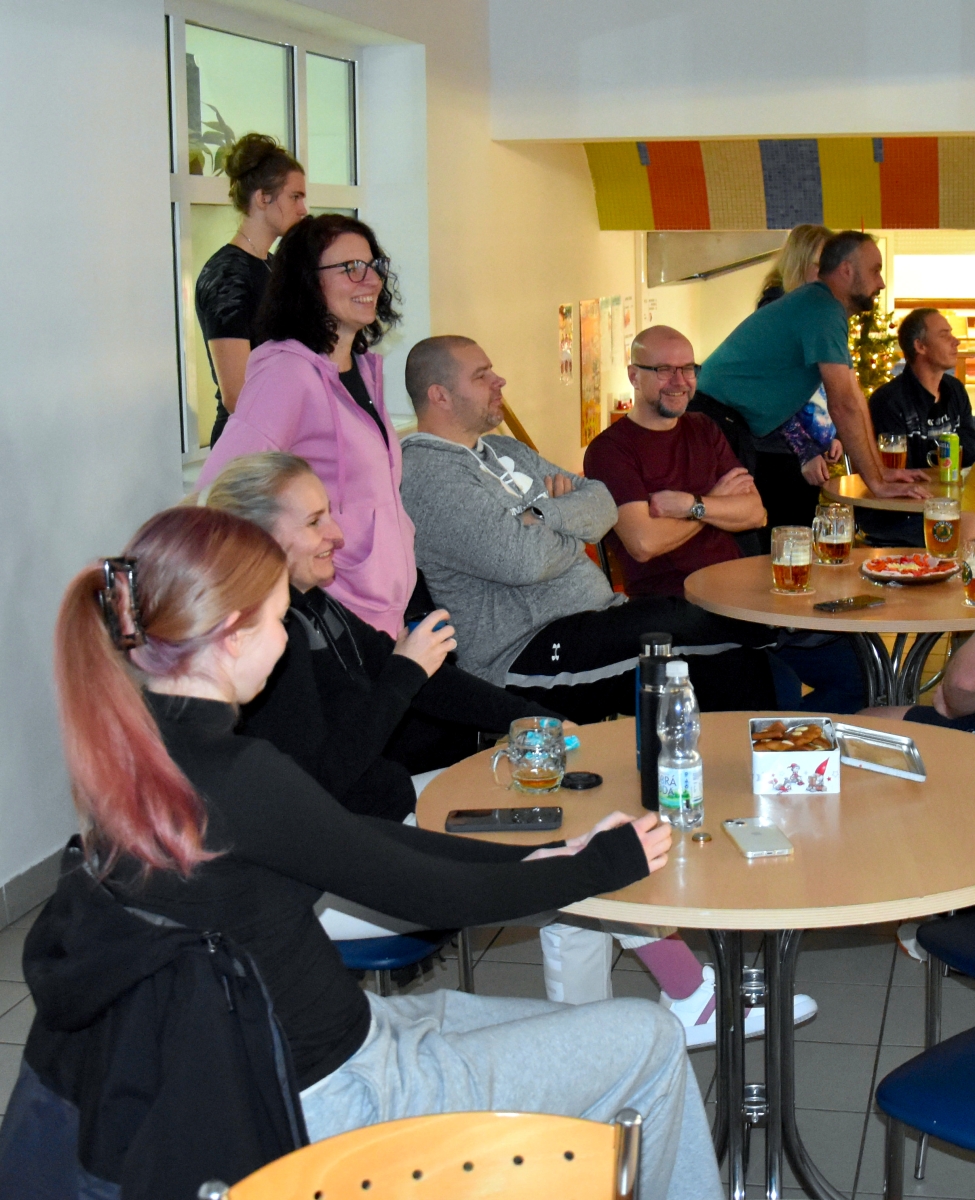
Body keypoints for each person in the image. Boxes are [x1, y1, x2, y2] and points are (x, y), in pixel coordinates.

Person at [39, 504, 721, 1200]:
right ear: (234, 634)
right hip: (340, 1093)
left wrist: (539, 858)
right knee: (648, 1037)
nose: (285, 641)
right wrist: (601, 864)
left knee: (547, 1028)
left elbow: (359, 843)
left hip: (302, 1051)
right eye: (279, 621)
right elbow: (428, 896)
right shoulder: (238, 774)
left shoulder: (139, 755)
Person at [400, 335, 780, 725]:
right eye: (482, 375)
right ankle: (762, 753)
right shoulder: (430, 475)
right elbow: (524, 562)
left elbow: (601, 503)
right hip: (528, 650)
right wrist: (572, 527)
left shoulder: (506, 451)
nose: (500, 381)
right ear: (440, 395)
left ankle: (739, 755)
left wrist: (540, 516)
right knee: (714, 646)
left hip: (596, 617)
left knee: (716, 630)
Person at [205, 452, 564, 822]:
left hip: (391, 800)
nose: (337, 535)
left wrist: (534, 720)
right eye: (314, 522)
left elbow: (423, 679)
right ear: (258, 538)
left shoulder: (314, 603)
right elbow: (320, 783)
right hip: (363, 829)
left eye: (329, 514)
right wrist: (405, 673)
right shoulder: (273, 642)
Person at [585, 325, 865, 714]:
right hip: (677, 610)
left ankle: (786, 738)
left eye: (688, 368)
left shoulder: (704, 427)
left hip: (745, 599)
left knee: (857, 673)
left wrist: (692, 505)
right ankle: (768, 738)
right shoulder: (610, 450)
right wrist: (717, 503)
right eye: (664, 370)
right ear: (634, 375)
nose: (679, 381)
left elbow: (755, 513)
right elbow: (644, 542)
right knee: (779, 686)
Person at [197, 214, 414, 638]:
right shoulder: (287, 372)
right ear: (307, 282)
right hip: (334, 614)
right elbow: (219, 488)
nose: (370, 280)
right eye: (350, 268)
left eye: (374, 266)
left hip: (383, 614)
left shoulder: (361, 369)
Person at [698, 230, 928, 509]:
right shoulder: (822, 309)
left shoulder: (824, 307)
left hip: (727, 419)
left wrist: (881, 473)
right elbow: (843, 405)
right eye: (875, 270)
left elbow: (854, 396)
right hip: (715, 419)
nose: (881, 282)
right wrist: (877, 484)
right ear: (846, 270)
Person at [195, 134, 307, 447]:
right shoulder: (227, 274)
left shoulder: (272, 264)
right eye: (295, 197)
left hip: (279, 438)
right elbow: (236, 394)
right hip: (247, 447)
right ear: (262, 198)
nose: (303, 209)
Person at [863, 308, 975, 546]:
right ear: (920, 346)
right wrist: (946, 454)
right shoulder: (889, 401)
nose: (955, 341)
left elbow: (971, 447)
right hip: (899, 517)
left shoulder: (955, 390)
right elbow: (902, 475)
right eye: (944, 335)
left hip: (946, 508)